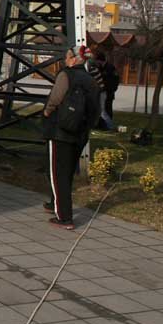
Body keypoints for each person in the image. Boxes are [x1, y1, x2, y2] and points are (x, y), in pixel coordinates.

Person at [42, 46, 100, 230]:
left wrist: (47, 112)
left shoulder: (66, 75)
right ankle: (55, 203)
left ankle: (64, 217)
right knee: (66, 172)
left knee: (57, 173)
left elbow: (55, 98)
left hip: (61, 131)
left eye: (67, 57)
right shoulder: (91, 80)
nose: (65, 60)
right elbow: (97, 108)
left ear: (74, 59)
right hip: (80, 132)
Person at [97, 50, 120, 127]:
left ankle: (109, 125)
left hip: (109, 92)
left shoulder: (110, 67)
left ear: (101, 60)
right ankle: (102, 124)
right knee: (101, 108)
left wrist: (113, 89)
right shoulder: (99, 68)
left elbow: (116, 79)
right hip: (101, 91)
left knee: (108, 108)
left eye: (98, 61)